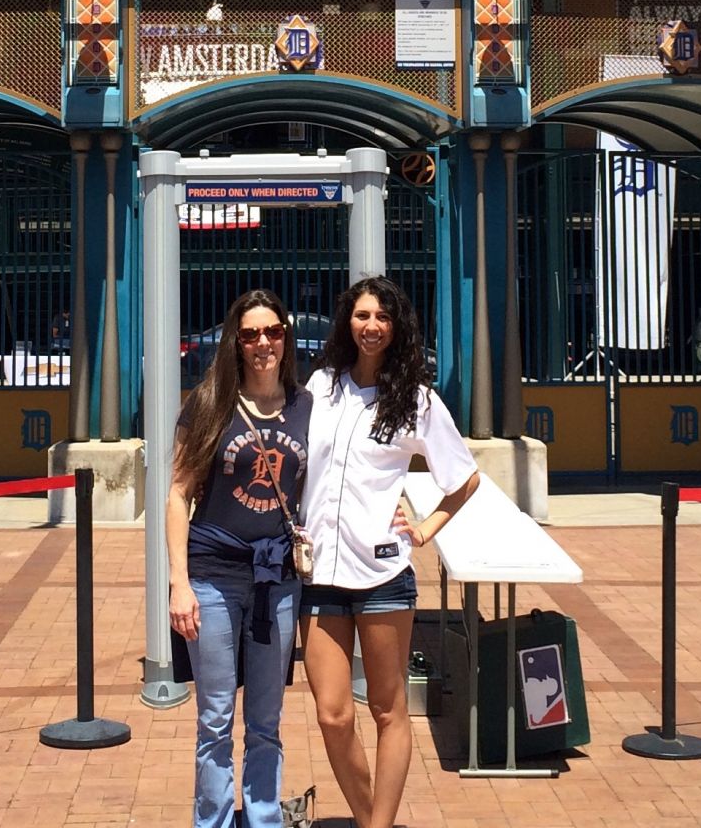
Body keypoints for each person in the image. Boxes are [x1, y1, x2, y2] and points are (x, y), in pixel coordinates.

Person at [300, 276, 480, 828]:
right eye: (361, 316)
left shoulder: (418, 400)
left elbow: (465, 479)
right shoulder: (322, 386)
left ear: (397, 327)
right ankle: (366, 817)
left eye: (382, 317)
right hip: (319, 573)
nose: (371, 326)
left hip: (382, 574)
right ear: (345, 323)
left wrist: (425, 528)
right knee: (332, 714)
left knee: (386, 708)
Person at [167, 290, 312, 828]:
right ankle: (213, 820)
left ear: (286, 338)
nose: (262, 344)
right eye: (250, 334)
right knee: (215, 718)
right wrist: (178, 583)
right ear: (235, 342)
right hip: (212, 576)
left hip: (275, 581)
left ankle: (265, 817)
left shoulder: (305, 407)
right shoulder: (209, 405)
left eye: (272, 332)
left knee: (267, 720)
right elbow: (177, 493)